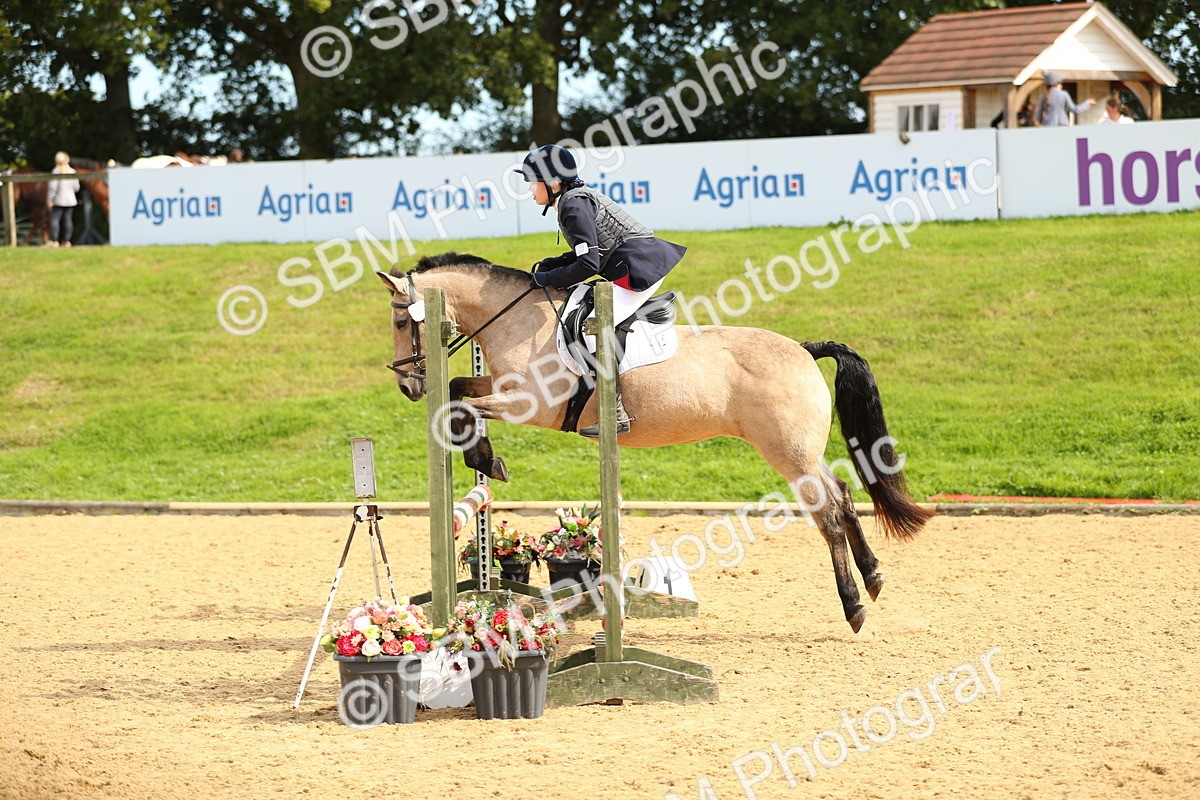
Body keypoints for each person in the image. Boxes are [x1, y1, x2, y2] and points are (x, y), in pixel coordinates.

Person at [517, 144, 686, 437]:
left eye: (533, 181)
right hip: (631, 265)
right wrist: (553, 264)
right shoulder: (572, 200)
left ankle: (614, 412)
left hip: (638, 272)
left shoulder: (573, 206)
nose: (530, 189)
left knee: (592, 327)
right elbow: (589, 251)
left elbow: (588, 264)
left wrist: (547, 279)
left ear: (553, 182)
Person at [46, 151, 80, 248]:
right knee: (68, 220)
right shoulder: (72, 172)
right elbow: (77, 187)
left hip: (58, 200)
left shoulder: (55, 171)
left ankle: (55, 241)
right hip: (70, 201)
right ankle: (67, 241)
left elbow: (53, 188)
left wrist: (49, 200)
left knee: (54, 220)